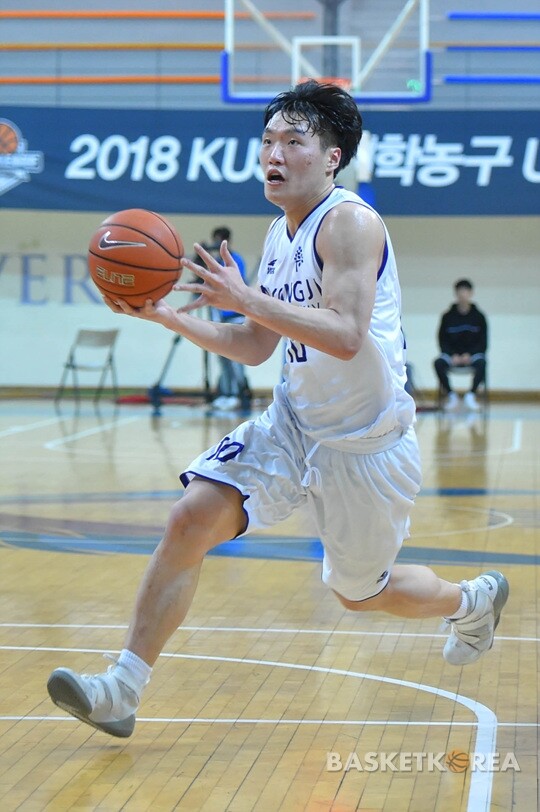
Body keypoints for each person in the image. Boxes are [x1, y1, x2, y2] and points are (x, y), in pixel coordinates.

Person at [47, 81, 508, 739]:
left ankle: (470, 601)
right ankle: (121, 689)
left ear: (332, 157)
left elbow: (345, 334)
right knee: (189, 519)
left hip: (366, 444)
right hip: (292, 423)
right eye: (268, 141)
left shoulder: (350, 223)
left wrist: (246, 297)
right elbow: (256, 345)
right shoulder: (277, 232)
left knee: (362, 594)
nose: (274, 154)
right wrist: (167, 315)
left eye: (294, 141)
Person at [201, 227, 252, 412]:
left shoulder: (235, 259)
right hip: (221, 316)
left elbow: (237, 286)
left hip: (236, 316)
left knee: (235, 359)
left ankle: (238, 394)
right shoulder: (215, 262)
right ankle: (227, 393)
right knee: (223, 358)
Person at [434, 279, 488, 412]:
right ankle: (451, 395)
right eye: (460, 291)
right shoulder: (447, 317)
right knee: (438, 363)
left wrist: (469, 355)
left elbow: (483, 342)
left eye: (466, 291)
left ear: (471, 293)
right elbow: (442, 340)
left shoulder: (479, 317)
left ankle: (471, 395)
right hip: (453, 356)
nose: (463, 294)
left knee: (482, 363)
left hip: (472, 355)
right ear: (456, 293)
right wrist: (452, 355)